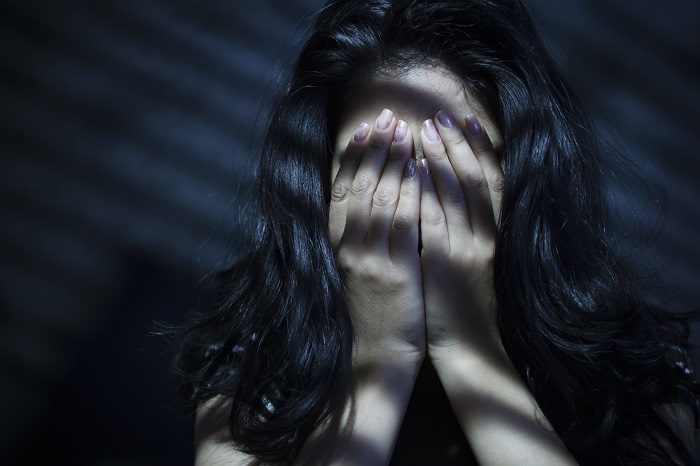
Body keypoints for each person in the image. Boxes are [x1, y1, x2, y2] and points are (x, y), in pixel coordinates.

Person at [175, 0, 699, 464]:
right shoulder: (254, 361)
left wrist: (469, 346)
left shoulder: (633, 378)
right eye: (372, 169)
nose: (406, 212)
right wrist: (381, 357)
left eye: (454, 168)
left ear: (520, 179)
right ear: (319, 187)